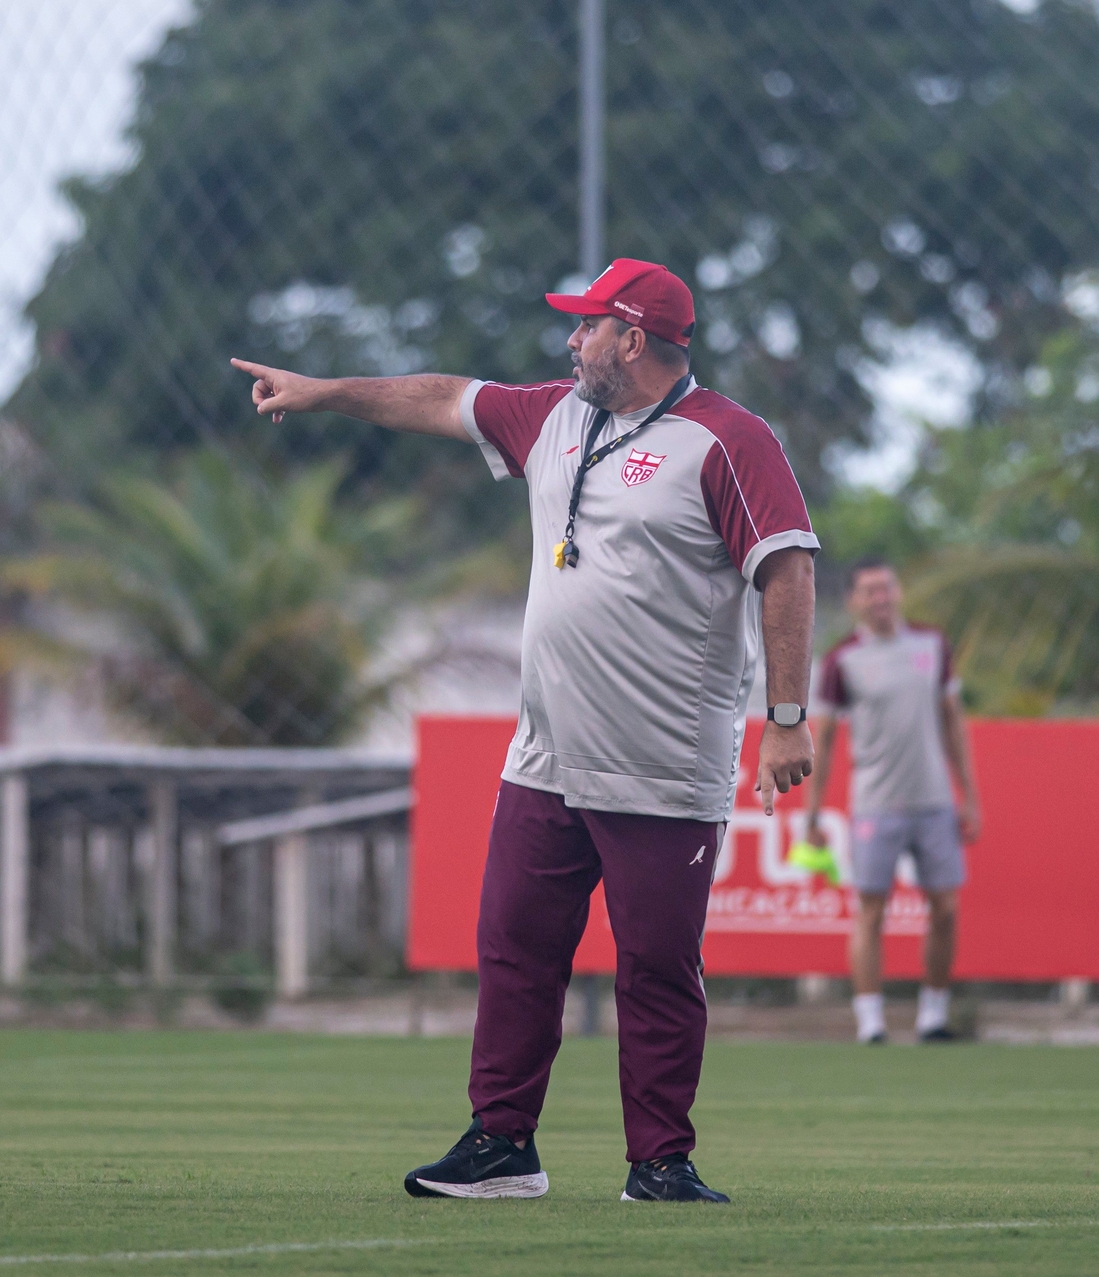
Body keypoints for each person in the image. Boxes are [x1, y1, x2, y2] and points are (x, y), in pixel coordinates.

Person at [230, 258, 819, 1204]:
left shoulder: (729, 439)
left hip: (664, 761)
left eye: (586, 325)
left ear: (633, 338)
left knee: (658, 969)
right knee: (513, 949)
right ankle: (503, 1145)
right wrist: (325, 391)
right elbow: (441, 398)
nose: (571, 340)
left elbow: (785, 569)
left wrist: (787, 720)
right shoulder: (556, 414)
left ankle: (660, 1161)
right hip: (545, 756)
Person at [805, 557, 981, 1043]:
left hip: (935, 801)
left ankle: (933, 1016)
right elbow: (825, 739)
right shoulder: (843, 660)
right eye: (869, 591)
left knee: (945, 908)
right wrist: (813, 813)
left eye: (887, 588)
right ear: (854, 601)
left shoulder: (931, 645)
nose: (880, 599)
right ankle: (871, 1022)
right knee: (871, 909)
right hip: (875, 805)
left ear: (898, 592)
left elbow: (953, 722)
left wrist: (969, 796)